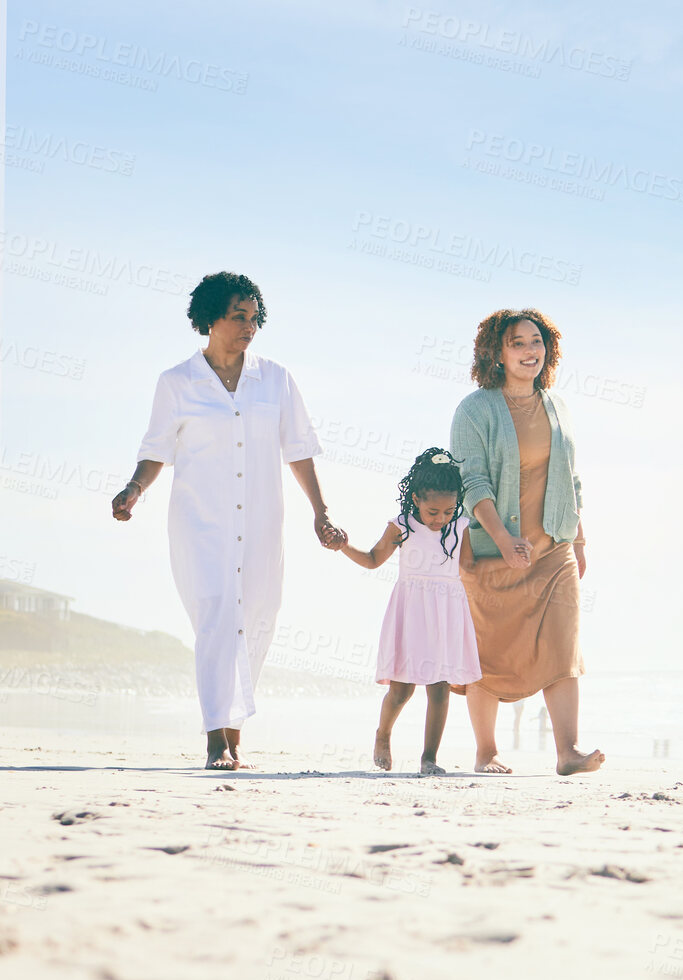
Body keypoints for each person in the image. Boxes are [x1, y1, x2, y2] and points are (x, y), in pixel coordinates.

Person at [111, 272, 346, 770]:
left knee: (256, 619)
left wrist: (321, 512)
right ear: (209, 319)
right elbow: (156, 450)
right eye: (239, 316)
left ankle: (233, 737)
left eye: (255, 317)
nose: (249, 326)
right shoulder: (176, 382)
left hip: (262, 523)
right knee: (218, 615)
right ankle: (217, 741)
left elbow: (300, 452)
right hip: (201, 524)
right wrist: (134, 490)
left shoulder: (276, 379)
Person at [450, 308, 603, 776]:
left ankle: (568, 751)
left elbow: (570, 477)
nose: (528, 351)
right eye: (517, 342)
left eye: (535, 341)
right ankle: (486, 750)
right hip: (495, 548)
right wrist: (504, 537)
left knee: (562, 642)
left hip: (553, 546)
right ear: (497, 352)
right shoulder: (475, 409)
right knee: (490, 650)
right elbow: (472, 482)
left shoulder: (556, 405)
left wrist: (578, 537)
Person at [337, 447, 482, 775]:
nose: (439, 519)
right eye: (433, 512)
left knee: (440, 690)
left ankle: (429, 757)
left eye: (447, 511)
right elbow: (373, 560)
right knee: (401, 691)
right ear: (415, 499)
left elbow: (472, 567)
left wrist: (512, 557)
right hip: (412, 611)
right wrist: (345, 546)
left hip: (447, 611)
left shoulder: (460, 527)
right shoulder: (401, 525)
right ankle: (383, 733)